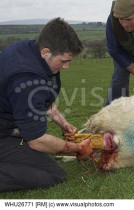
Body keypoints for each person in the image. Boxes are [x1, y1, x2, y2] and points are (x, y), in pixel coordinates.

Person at [0, 18, 93, 192]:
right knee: (53, 174)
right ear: (46, 52)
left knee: (31, 149)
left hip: (4, 127)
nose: (67, 67)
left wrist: (64, 124)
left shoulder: (29, 50)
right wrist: (77, 149)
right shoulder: (28, 78)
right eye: (64, 61)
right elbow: (36, 140)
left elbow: (44, 102)